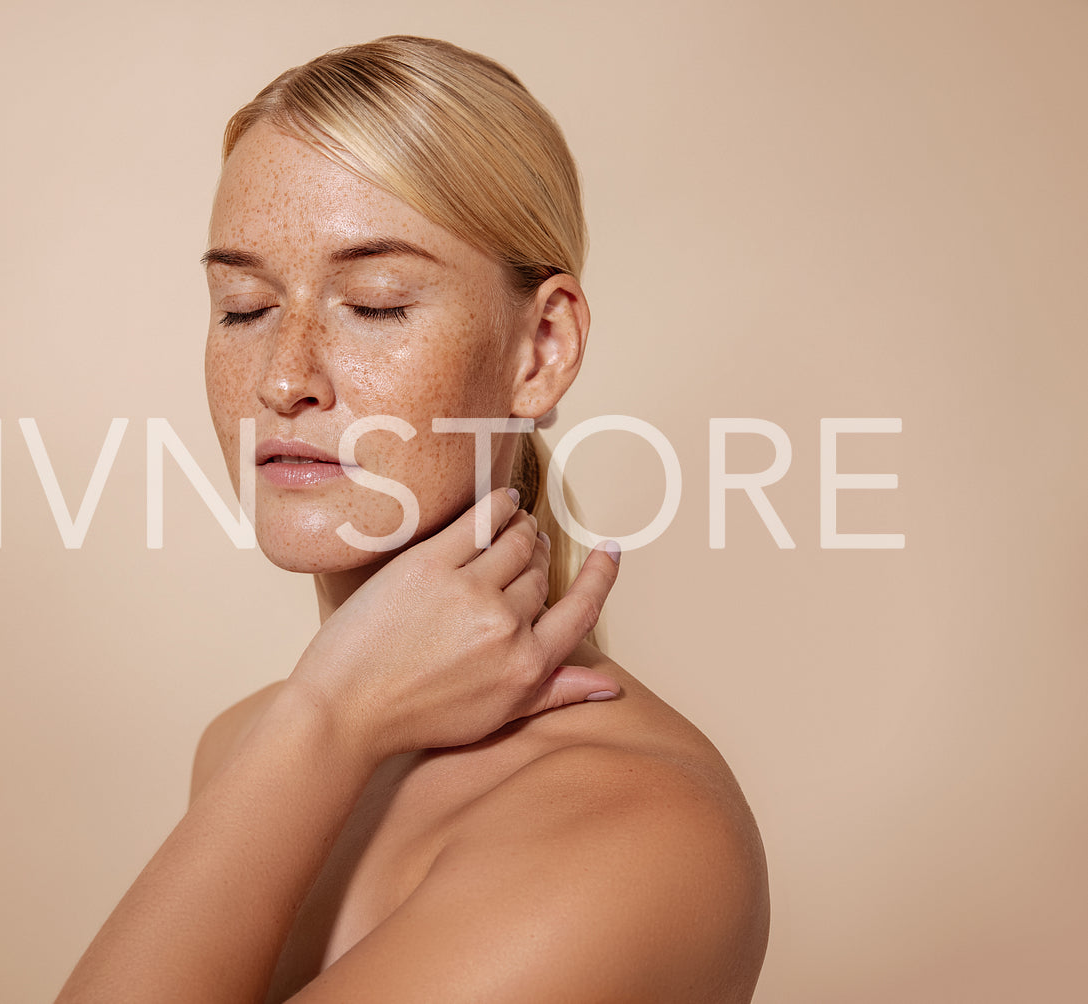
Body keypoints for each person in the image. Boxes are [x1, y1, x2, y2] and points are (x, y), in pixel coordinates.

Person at [56, 35, 769, 1003]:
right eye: (242, 305)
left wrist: (320, 717)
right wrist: (318, 727)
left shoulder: (628, 829)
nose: (283, 376)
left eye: (374, 303)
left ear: (541, 350)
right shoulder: (255, 742)